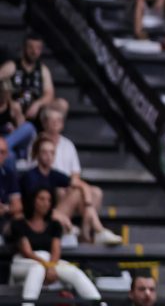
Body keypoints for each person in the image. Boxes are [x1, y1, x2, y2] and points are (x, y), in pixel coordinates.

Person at [40, 107, 122, 245]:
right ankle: (96, 231)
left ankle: (87, 233)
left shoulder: (68, 145)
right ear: (44, 123)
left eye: (59, 120)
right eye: (52, 120)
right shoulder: (38, 144)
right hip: (51, 194)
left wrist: (79, 192)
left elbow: (75, 176)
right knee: (72, 190)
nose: (55, 123)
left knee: (95, 192)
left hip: (69, 187)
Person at [10, 186, 105, 305]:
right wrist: (47, 266)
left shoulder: (54, 225)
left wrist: (51, 266)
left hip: (50, 261)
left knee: (74, 272)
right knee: (38, 269)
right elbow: (27, 251)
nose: (46, 203)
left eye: (49, 200)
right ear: (33, 200)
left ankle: (101, 304)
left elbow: (56, 249)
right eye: (41, 199)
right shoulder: (19, 224)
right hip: (24, 262)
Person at [10, 37, 67, 127]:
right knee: (15, 110)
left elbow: (49, 94)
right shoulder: (12, 66)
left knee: (62, 104)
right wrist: (10, 102)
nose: (34, 51)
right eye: (31, 47)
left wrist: (37, 104)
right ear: (24, 48)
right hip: (15, 107)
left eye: (38, 48)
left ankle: (52, 134)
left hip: (35, 110)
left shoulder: (43, 70)